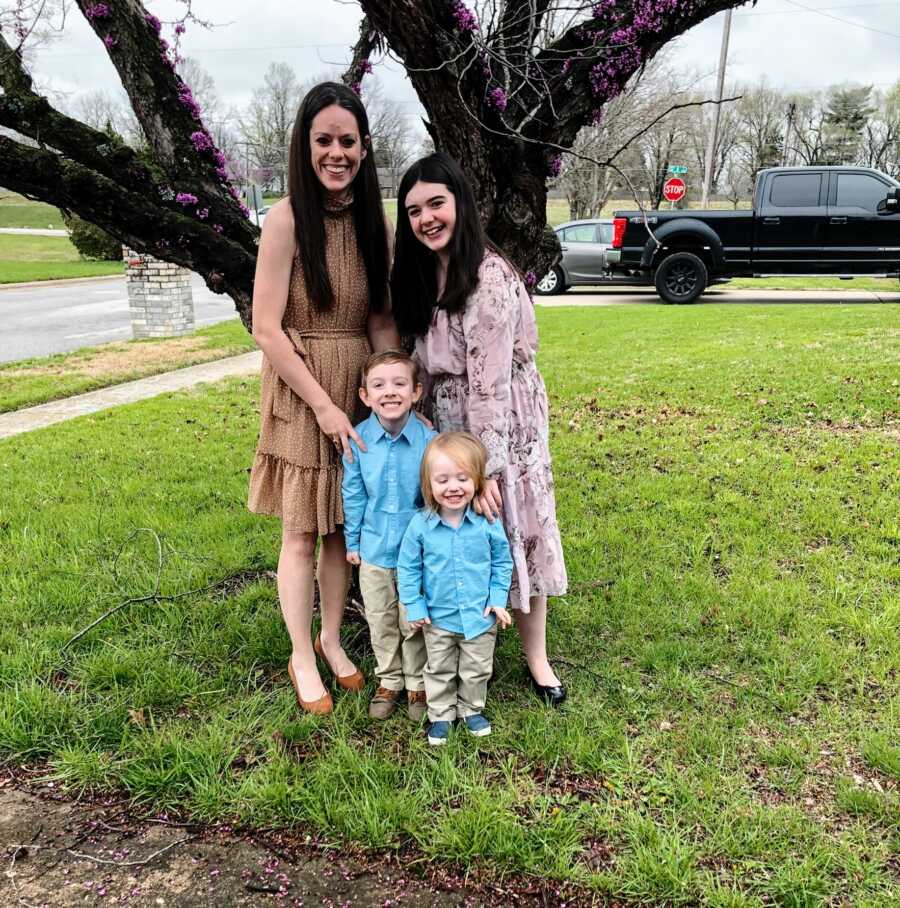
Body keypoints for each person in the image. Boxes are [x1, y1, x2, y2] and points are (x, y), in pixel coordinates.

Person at [390, 152, 568, 706]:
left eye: (436, 203)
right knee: (460, 528)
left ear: (460, 204)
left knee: (515, 521)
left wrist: (488, 468)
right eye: (414, 210)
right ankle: (463, 635)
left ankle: (536, 657)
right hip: (450, 415)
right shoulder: (423, 274)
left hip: (502, 420)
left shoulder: (487, 276)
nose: (426, 218)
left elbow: (489, 386)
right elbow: (421, 356)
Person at [248, 82, 399, 715]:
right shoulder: (285, 220)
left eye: (347, 141)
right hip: (304, 386)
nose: (336, 153)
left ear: (364, 149)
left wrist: (389, 387)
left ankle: (333, 639)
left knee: (342, 529)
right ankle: (300, 654)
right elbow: (265, 326)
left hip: (358, 387)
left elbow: (382, 318)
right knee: (302, 534)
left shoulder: (374, 222)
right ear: (304, 145)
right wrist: (324, 405)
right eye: (323, 141)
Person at [398, 432, 513, 745]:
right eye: (443, 480)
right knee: (439, 668)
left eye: (462, 478)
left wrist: (497, 600)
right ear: (429, 484)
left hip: (480, 616)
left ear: (476, 480)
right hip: (438, 617)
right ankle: (441, 715)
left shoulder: (486, 522)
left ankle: (471, 709)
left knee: (476, 668)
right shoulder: (420, 525)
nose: (452, 487)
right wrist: (415, 605)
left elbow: (502, 563)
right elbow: (408, 568)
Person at [341, 349, 436, 721]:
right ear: (365, 396)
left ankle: (417, 683)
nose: (389, 392)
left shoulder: (430, 441)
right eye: (378, 385)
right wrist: (352, 543)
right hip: (374, 551)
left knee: (413, 619)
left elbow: (437, 497)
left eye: (399, 383)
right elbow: (354, 495)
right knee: (380, 619)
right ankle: (390, 680)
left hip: (417, 554)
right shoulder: (358, 441)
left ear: (416, 392)